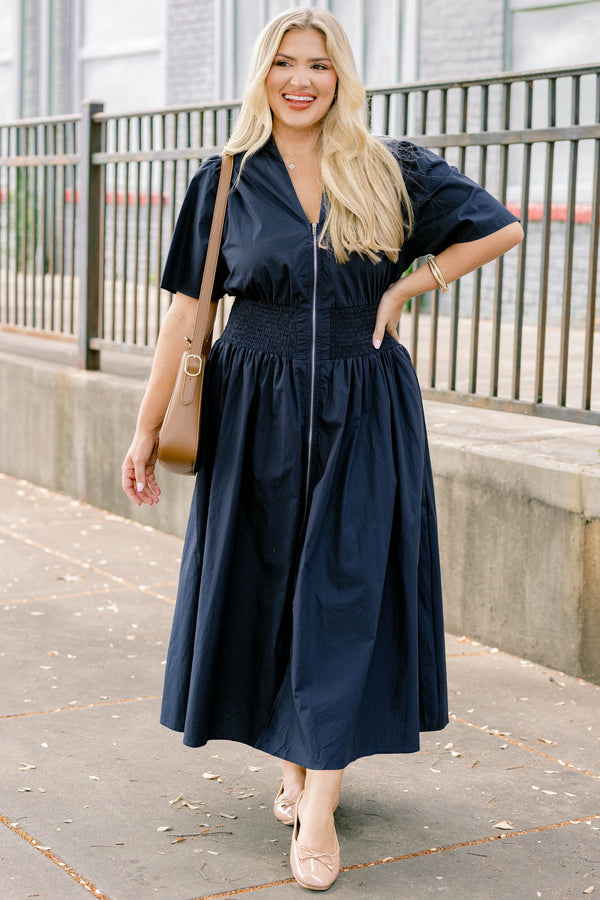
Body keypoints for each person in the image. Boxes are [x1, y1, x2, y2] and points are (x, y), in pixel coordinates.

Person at [122, 7, 523, 891]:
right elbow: (186, 317)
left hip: (363, 404)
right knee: (271, 589)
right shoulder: (225, 180)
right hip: (253, 409)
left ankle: (318, 812)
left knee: (342, 593)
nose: (301, 80)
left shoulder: (389, 168)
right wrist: (147, 428)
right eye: (285, 64)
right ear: (262, 75)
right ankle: (296, 763)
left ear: (341, 78)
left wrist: (408, 288)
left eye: (320, 65)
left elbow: (501, 228)